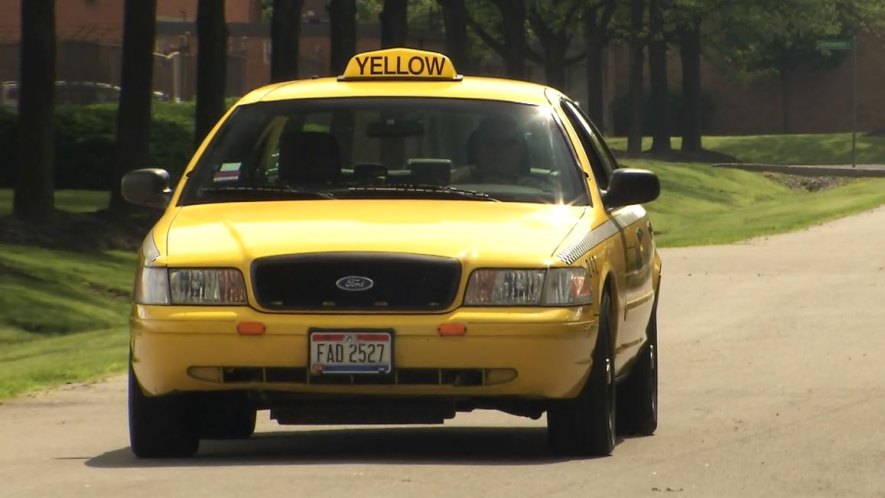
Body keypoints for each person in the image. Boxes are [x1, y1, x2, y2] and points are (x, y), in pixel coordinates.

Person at [466, 114, 531, 184]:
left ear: (521, 152)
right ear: (476, 151)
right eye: (490, 143)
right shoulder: (456, 188)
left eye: (508, 144)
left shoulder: (538, 192)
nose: (498, 149)